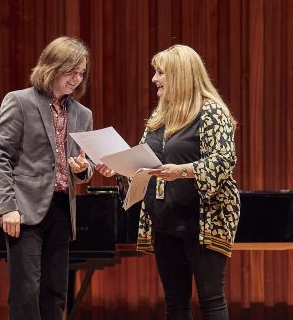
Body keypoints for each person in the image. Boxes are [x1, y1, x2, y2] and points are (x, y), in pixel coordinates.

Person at [101, 44, 240, 319]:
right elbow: (142, 161)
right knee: (175, 304)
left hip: (203, 220)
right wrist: (116, 166)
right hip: (164, 220)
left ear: (180, 75)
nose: (154, 79)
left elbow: (225, 160)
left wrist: (183, 170)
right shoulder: (159, 117)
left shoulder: (211, 112)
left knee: (211, 300)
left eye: (160, 73)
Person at [0, 36, 105, 320]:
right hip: (25, 210)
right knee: (25, 293)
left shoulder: (82, 114)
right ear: (53, 67)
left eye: (81, 73)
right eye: (71, 71)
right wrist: (6, 207)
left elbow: (85, 166)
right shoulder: (19, 101)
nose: (77, 79)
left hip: (62, 209)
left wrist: (82, 169)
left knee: (55, 293)